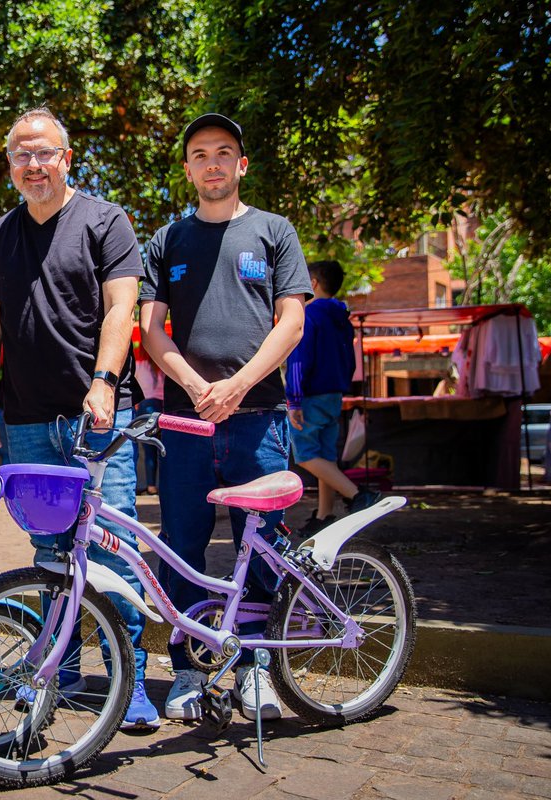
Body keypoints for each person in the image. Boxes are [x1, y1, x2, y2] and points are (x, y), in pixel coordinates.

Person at [0, 107, 159, 730]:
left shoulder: (107, 221)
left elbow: (120, 310)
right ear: (11, 165)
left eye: (44, 152)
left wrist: (105, 382)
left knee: (113, 547)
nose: (33, 163)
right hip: (26, 421)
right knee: (49, 552)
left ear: (66, 158)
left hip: (97, 419)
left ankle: (127, 681)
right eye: (21, 154)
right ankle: (63, 672)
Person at [139, 113, 311, 723]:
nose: (212, 163)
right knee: (181, 546)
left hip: (259, 419)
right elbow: (151, 329)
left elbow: (290, 322)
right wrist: (194, 385)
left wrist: (236, 387)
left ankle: (256, 667)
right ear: (187, 170)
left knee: (260, 545)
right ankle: (185, 668)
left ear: (241, 165)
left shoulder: (274, 231)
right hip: (185, 426)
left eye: (224, 153)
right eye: (200, 154)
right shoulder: (166, 241)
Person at [286, 259, 380, 534]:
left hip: (311, 394)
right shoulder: (343, 319)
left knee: (304, 454)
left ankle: (358, 495)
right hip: (334, 393)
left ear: (312, 283)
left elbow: (298, 359)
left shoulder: (309, 315)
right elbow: (350, 360)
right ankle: (325, 514)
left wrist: (293, 398)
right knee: (326, 455)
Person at [134, 351, 165, 494]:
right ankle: (162, 482)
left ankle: (151, 485)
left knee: (148, 449)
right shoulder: (163, 365)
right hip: (163, 407)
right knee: (163, 447)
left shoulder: (140, 365)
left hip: (145, 406)